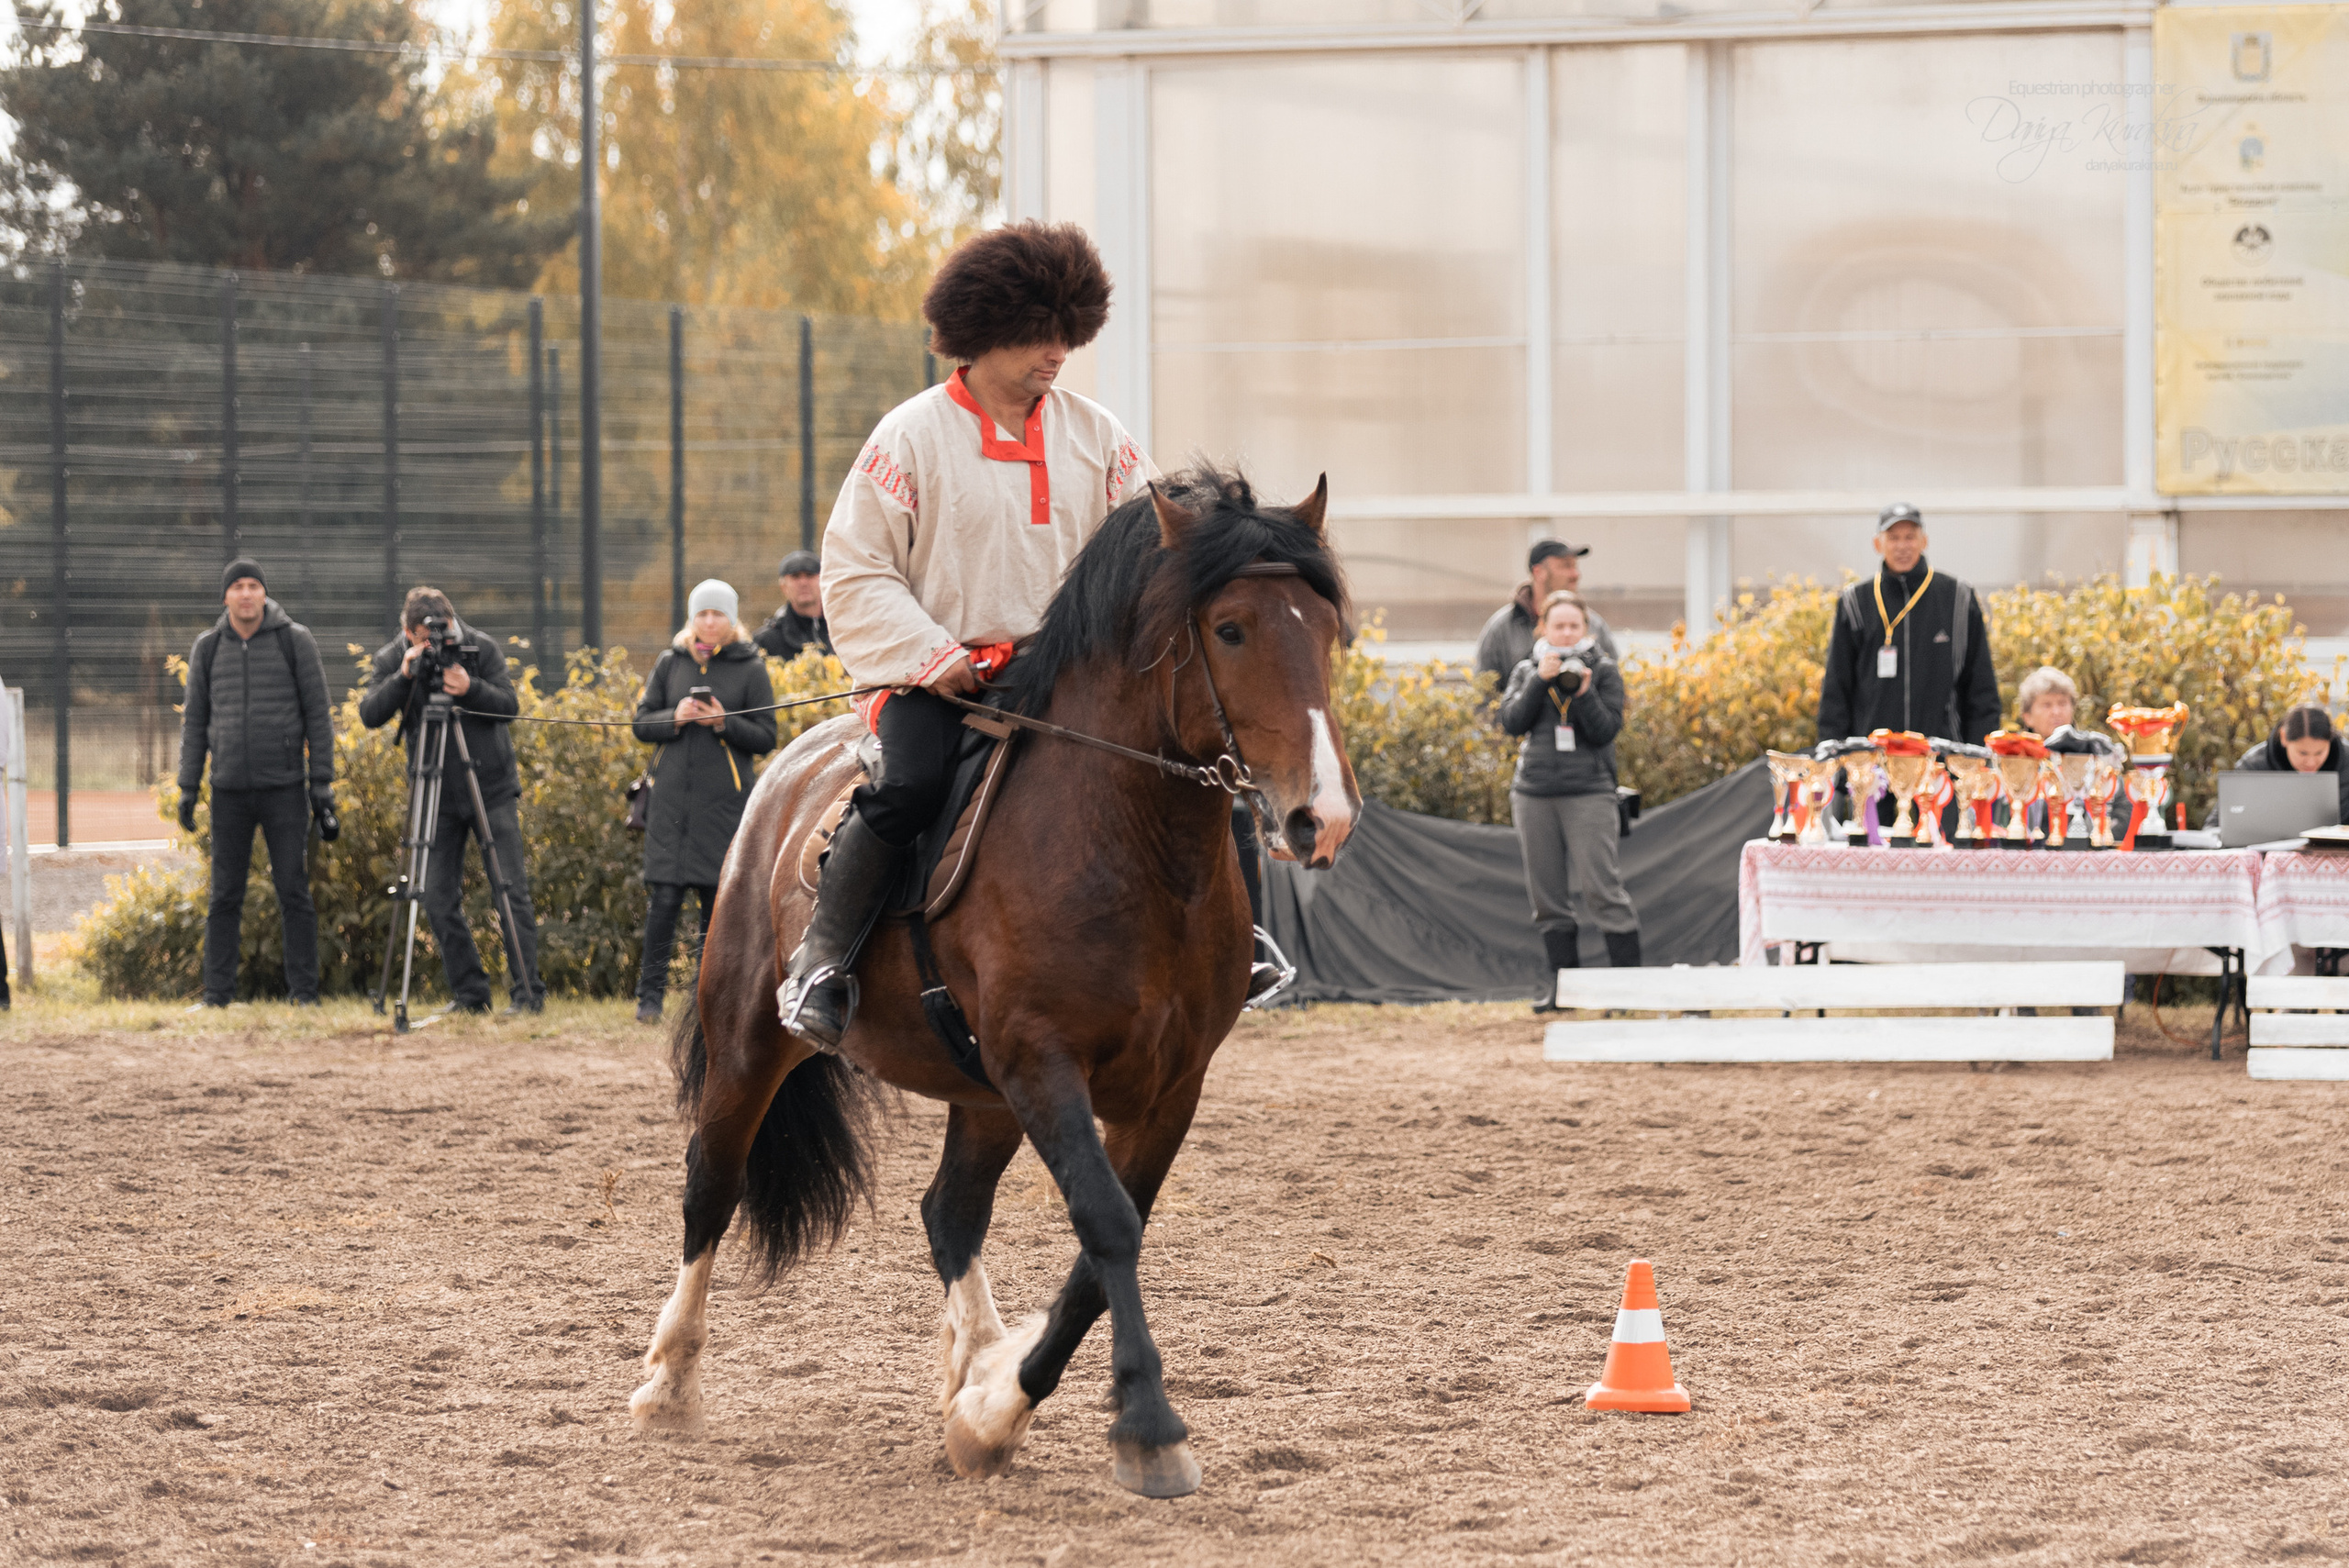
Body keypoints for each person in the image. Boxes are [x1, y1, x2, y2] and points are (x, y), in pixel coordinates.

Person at [784, 220, 1156, 1049]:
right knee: (910, 785)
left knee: (1187, 757)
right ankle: (823, 959)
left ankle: (1233, 949)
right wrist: (934, 655)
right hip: (939, 679)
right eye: (1036, 335)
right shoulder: (908, 437)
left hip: (1065, 681)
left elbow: (1151, 548)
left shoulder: (1099, 436)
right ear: (980, 331)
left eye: (1068, 334)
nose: (1056, 353)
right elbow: (856, 569)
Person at [358, 586, 543, 1016]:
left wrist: (470, 687)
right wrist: (403, 676)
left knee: (510, 889)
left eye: (443, 634)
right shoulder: (394, 658)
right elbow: (370, 714)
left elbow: (509, 705)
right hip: (434, 792)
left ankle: (528, 995)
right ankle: (470, 994)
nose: (437, 645)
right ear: (407, 633)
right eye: (424, 639)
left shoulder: (482, 648)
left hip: (490, 786)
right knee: (436, 896)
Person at [176, 559, 337, 1006]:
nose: (246, 594)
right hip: (227, 789)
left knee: (293, 890)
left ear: (264, 594)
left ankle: (305, 995)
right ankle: (217, 996)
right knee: (224, 894)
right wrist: (189, 786)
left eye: (254, 586)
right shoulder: (208, 648)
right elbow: (195, 722)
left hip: (285, 787)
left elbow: (318, 715)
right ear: (225, 596)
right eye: (238, 587)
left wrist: (321, 780)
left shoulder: (294, 641)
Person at [631, 580, 778, 1024]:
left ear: (732, 620)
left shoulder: (751, 668)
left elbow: (766, 737)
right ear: (691, 619)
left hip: (724, 809)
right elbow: (641, 723)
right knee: (663, 902)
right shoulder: (668, 663)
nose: (709, 622)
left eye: (718, 614)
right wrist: (672, 717)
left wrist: (722, 722)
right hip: (670, 806)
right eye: (702, 614)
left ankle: (706, 1001)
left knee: (714, 909)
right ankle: (648, 1001)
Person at [1497, 590, 1640, 1003]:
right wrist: (1541, 682)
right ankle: (1563, 991)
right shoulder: (1526, 670)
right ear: (1543, 627)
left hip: (1589, 794)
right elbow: (1511, 722)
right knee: (1547, 898)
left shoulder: (1605, 671)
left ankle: (1627, 992)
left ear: (1586, 628)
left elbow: (1605, 732)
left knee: (1603, 891)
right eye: (1557, 625)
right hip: (1534, 794)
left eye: (1573, 626)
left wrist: (1584, 694)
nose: (1565, 633)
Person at [1818, 503, 2001, 748]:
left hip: (1942, 761)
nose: (1902, 546)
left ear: (1924, 541)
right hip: (1873, 764)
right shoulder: (1855, 602)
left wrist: (1977, 759)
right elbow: (1836, 691)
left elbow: (1982, 688)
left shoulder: (1958, 598)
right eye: (1893, 538)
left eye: (1910, 537)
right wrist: (1835, 758)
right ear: (1877, 544)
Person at [1475, 539, 1620, 694]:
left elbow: (1614, 688)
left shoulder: (1594, 624)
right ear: (1539, 572)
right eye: (1566, 566)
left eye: (1575, 566)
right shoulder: (1502, 627)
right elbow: (1483, 692)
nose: (1575, 574)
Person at [2205, 706, 2349, 828]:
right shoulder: (2253, 765)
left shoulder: (2346, 761)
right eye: (2303, 753)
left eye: (2319, 752)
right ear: (2284, 737)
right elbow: (2215, 825)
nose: (2311, 762)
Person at [752, 550, 831, 662]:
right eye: (796, 577)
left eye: (809, 575)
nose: (803, 583)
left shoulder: (843, 628)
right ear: (783, 586)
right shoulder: (766, 641)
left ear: (823, 580)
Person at [2017, 666, 2078, 740]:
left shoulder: (2091, 747)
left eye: (2062, 704)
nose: (2056, 712)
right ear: (2028, 717)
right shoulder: (2013, 750)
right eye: (2047, 705)